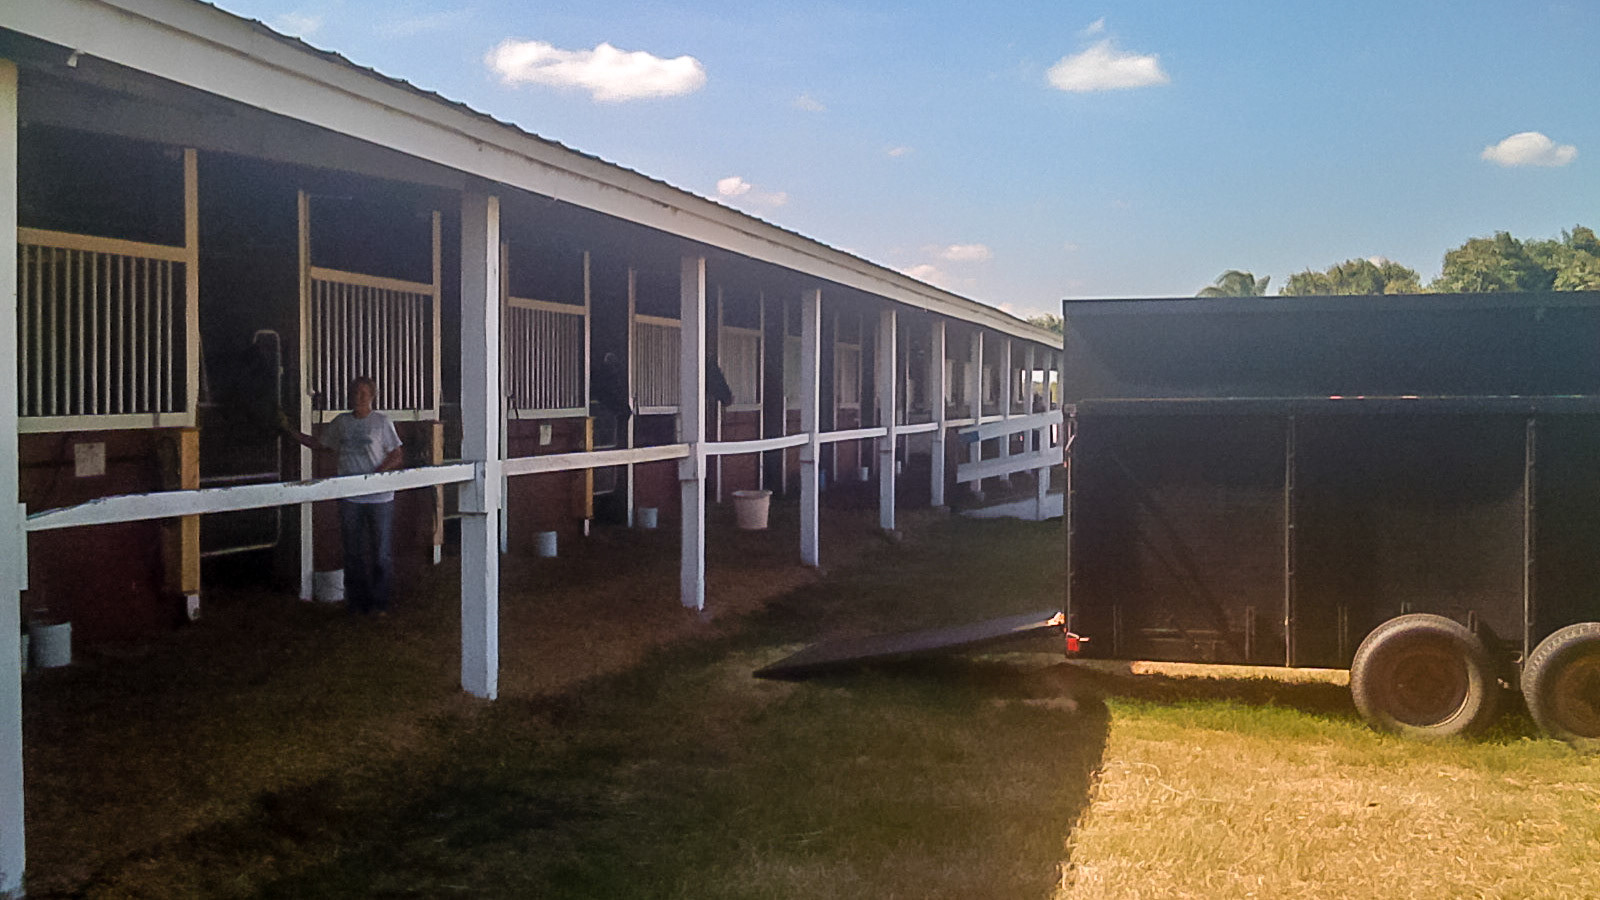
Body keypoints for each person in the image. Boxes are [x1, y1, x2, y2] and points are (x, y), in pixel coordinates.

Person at [282, 376, 404, 614]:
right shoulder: (342, 423)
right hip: (350, 498)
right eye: (356, 392)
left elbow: (396, 454)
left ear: (372, 396)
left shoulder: (381, 422)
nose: (359, 397)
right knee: (353, 551)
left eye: (364, 393)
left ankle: (380, 604)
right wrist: (291, 433)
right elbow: (322, 445)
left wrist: (377, 475)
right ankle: (357, 603)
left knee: (380, 553)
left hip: (379, 498)